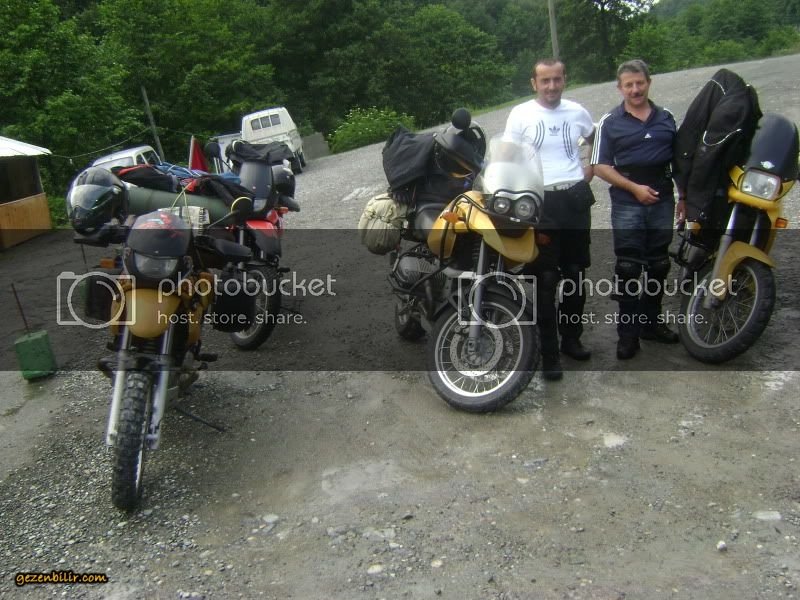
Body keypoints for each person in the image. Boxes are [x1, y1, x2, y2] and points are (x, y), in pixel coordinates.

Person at [504, 59, 597, 381]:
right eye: (545, 81)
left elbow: (595, 138)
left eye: (557, 79)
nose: (552, 86)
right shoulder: (521, 114)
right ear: (534, 83)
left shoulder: (577, 111)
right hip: (541, 202)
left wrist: (590, 165)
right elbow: (506, 156)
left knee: (575, 275)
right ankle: (549, 353)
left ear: (564, 79)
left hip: (574, 199)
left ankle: (571, 339)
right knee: (545, 279)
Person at [591, 59, 681, 360]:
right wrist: (634, 189)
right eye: (628, 85)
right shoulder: (609, 122)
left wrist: (684, 197)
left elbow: (680, 161)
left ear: (648, 83)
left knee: (659, 264)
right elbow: (600, 166)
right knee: (629, 268)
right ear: (620, 88)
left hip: (662, 199)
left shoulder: (667, 117)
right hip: (628, 201)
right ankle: (628, 335)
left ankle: (651, 324)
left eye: (639, 83)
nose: (635, 89)